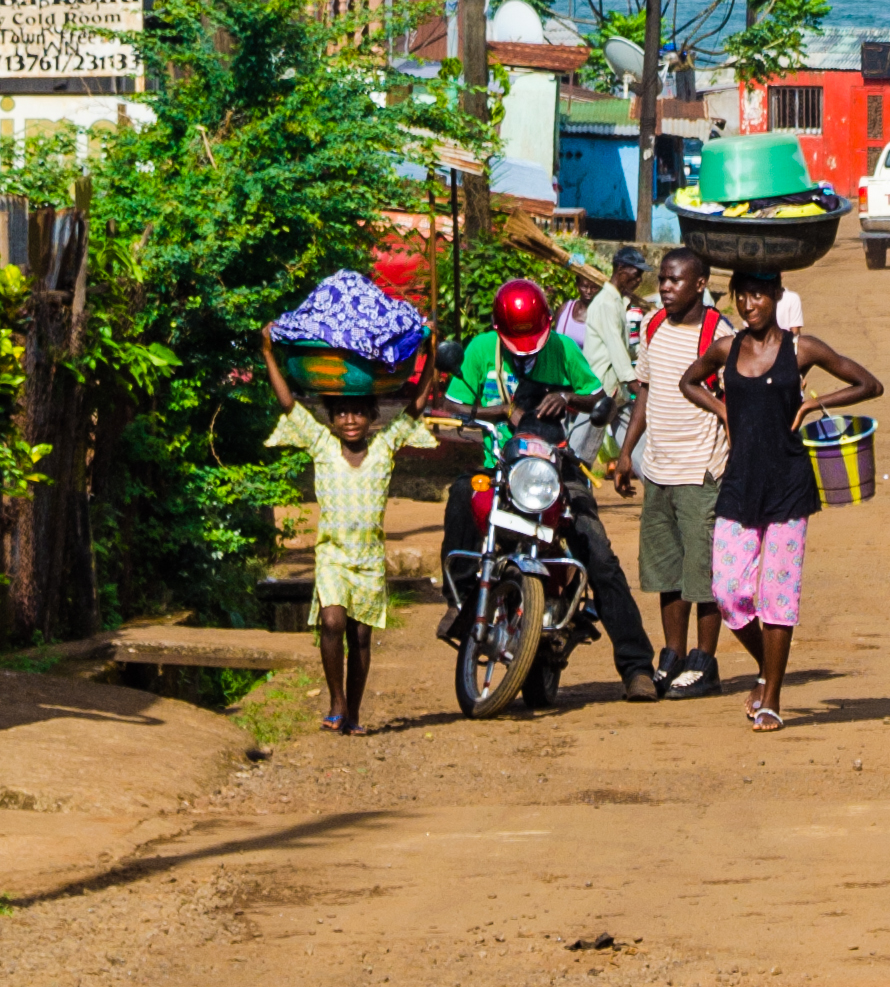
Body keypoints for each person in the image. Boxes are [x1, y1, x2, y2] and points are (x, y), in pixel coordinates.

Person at [437, 278, 662, 702]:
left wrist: (567, 398)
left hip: (554, 467)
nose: (527, 352)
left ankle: (636, 668)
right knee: (460, 497)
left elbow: (601, 399)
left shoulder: (562, 349)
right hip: (498, 465)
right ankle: (460, 598)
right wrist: (501, 411)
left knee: (599, 555)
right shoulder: (482, 349)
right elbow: (454, 404)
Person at [677, 269, 882, 732]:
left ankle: (771, 698)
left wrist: (813, 404)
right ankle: (767, 669)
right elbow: (689, 382)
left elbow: (869, 384)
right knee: (730, 594)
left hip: (790, 484)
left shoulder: (800, 350)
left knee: (777, 596)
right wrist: (721, 408)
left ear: (775, 297)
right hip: (739, 483)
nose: (749, 305)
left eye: (758, 295)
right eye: (741, 297)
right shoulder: (726, 350)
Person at [258, 328, 435, 733]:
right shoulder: (321, 444)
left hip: (369, 560)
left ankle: (352, 712)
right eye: (341, 413)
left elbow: (418, 404)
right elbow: (287, 404)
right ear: (330, 418)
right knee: (333, 621)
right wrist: (269, 352)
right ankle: (336, 701)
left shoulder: (384, 448)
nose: (349, 420)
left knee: (360, 638)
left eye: (357, 412)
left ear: (372, 416)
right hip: (333, 555)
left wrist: (430, 356)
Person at [611, 248, 730, 698]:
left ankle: (705, 662)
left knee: (705, 576)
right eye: (662, 279)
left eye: (675, 280)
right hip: (657, 469)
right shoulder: (653, 326)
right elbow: (645, 392)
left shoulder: (720, 333)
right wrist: (627, 454)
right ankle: (673, 656)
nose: (665, 287)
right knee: (667, 572)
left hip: (701, 471)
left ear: (700, 284)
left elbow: (735, 401)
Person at [582, 246, 648, 403]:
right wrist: (635, 387)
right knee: (589, 427)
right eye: (637, 273)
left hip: (616, 389)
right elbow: (616, 349)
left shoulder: (617, 301)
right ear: (621, 269)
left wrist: (647, 353)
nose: (639, 279)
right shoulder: (606, 303)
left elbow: (624, 347)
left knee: (632, 425)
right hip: (601, 389)